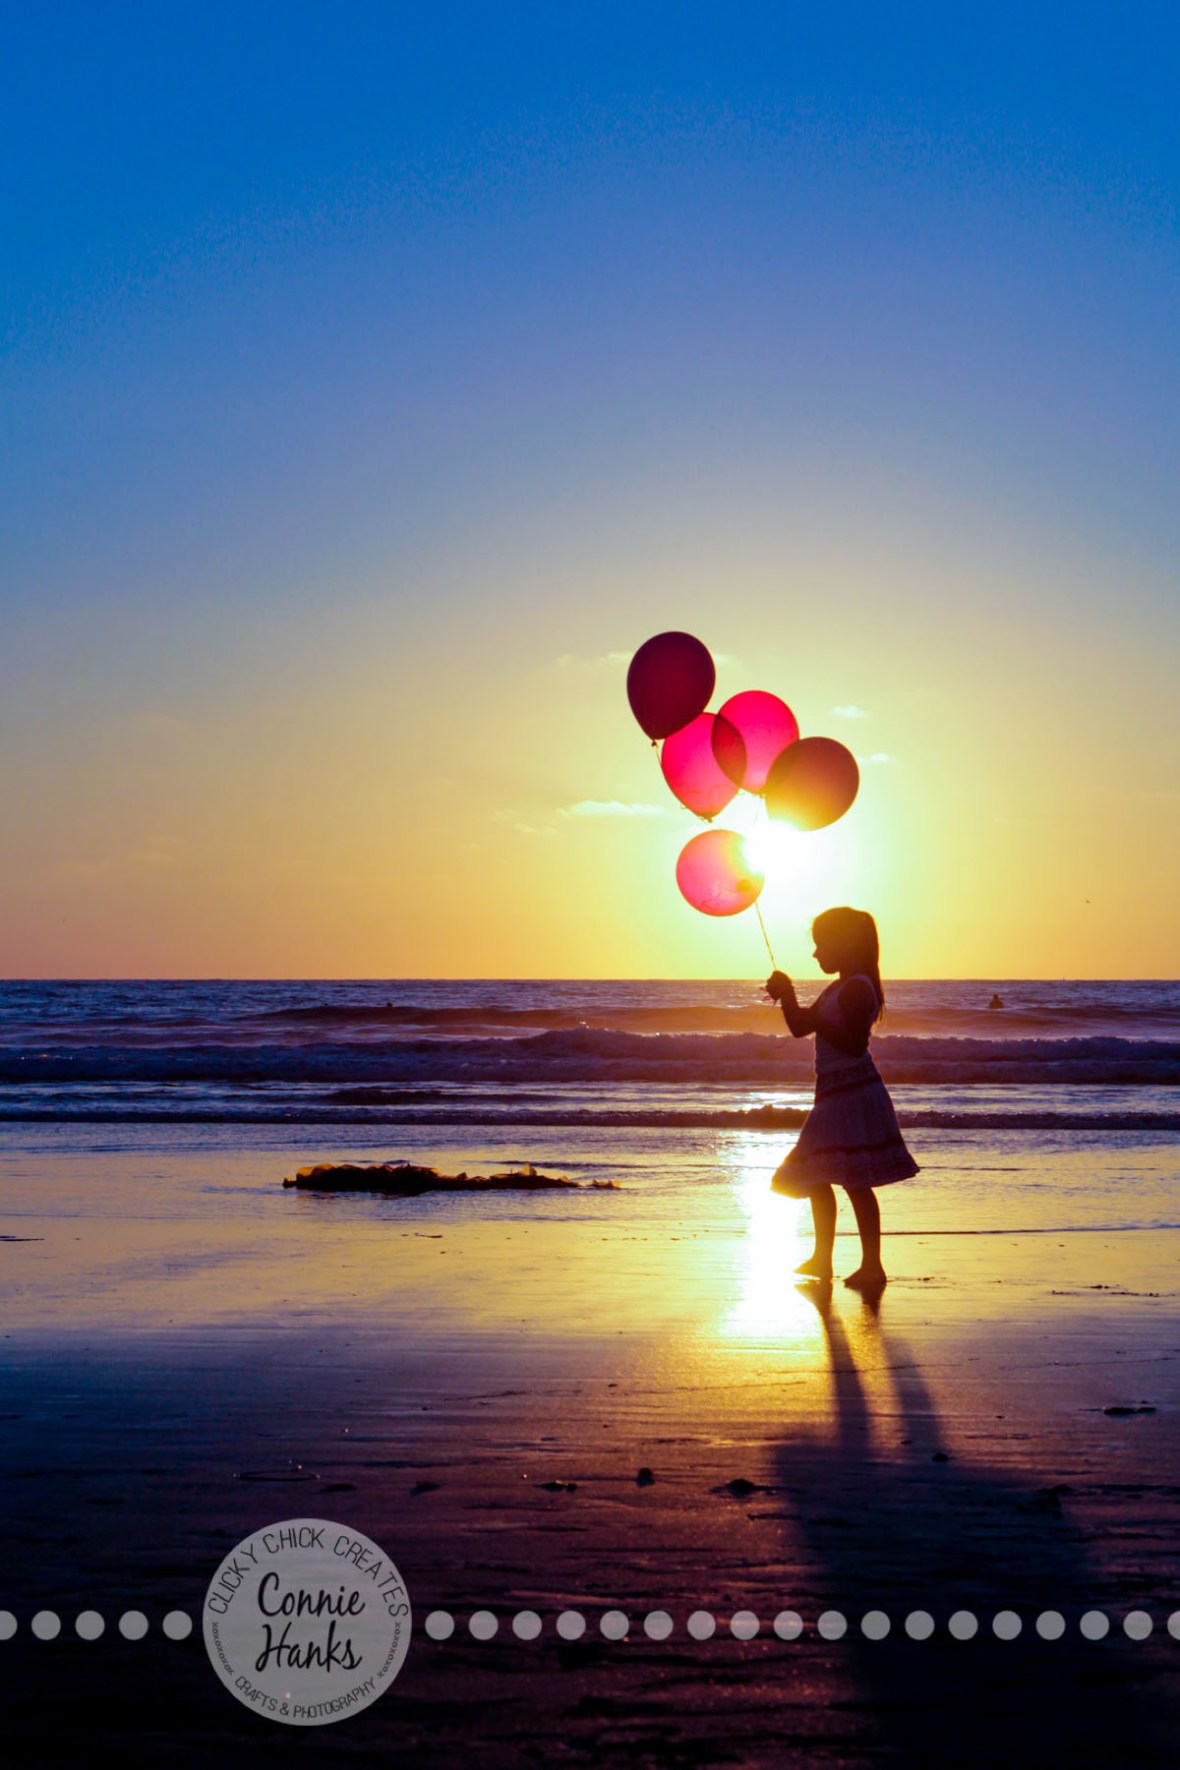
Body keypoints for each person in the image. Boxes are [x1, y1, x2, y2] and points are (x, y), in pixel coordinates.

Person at [765, 906, 918, 1291]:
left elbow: (852, 1043)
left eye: (821, 944)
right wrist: (787, 996)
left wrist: (814, 1018)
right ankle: (823, 1257)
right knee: (818, 1174)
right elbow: (801, 1026)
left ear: (845, 944)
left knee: (854, 1179)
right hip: (833, 1093)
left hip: (854, 1093)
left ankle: (872, 1265)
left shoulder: (858, 987)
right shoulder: (839, 987)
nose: (816, 953)